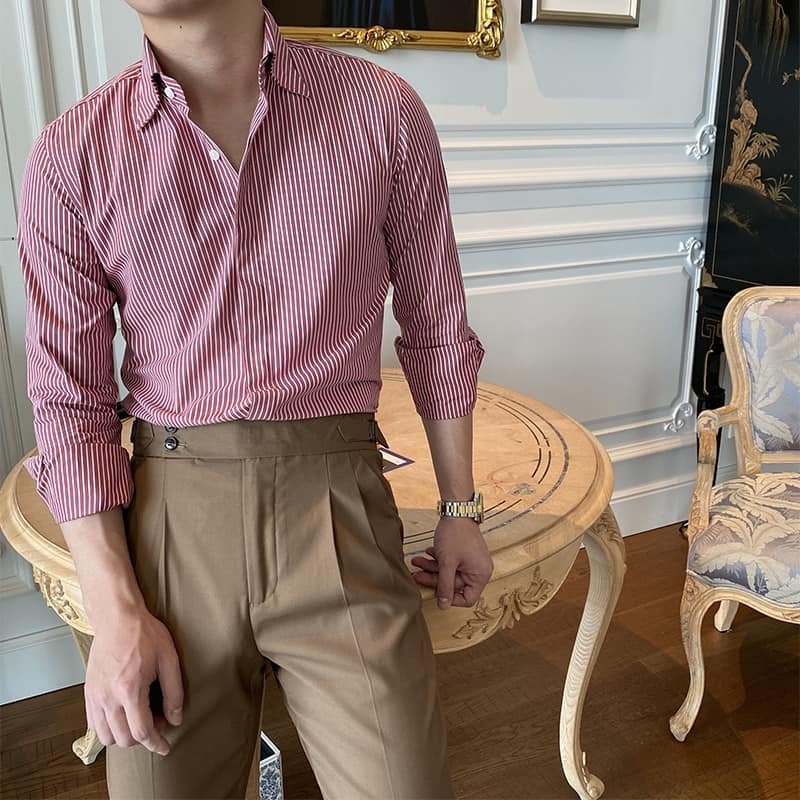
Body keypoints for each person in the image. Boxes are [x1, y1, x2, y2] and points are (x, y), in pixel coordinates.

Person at [17, 1, 492, 797]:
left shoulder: (381, 113)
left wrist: (459, 508)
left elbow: (438, 326)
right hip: (170, 533)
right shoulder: (73, 154)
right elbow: (70, 400)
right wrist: (116, 610)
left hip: (338, 510)